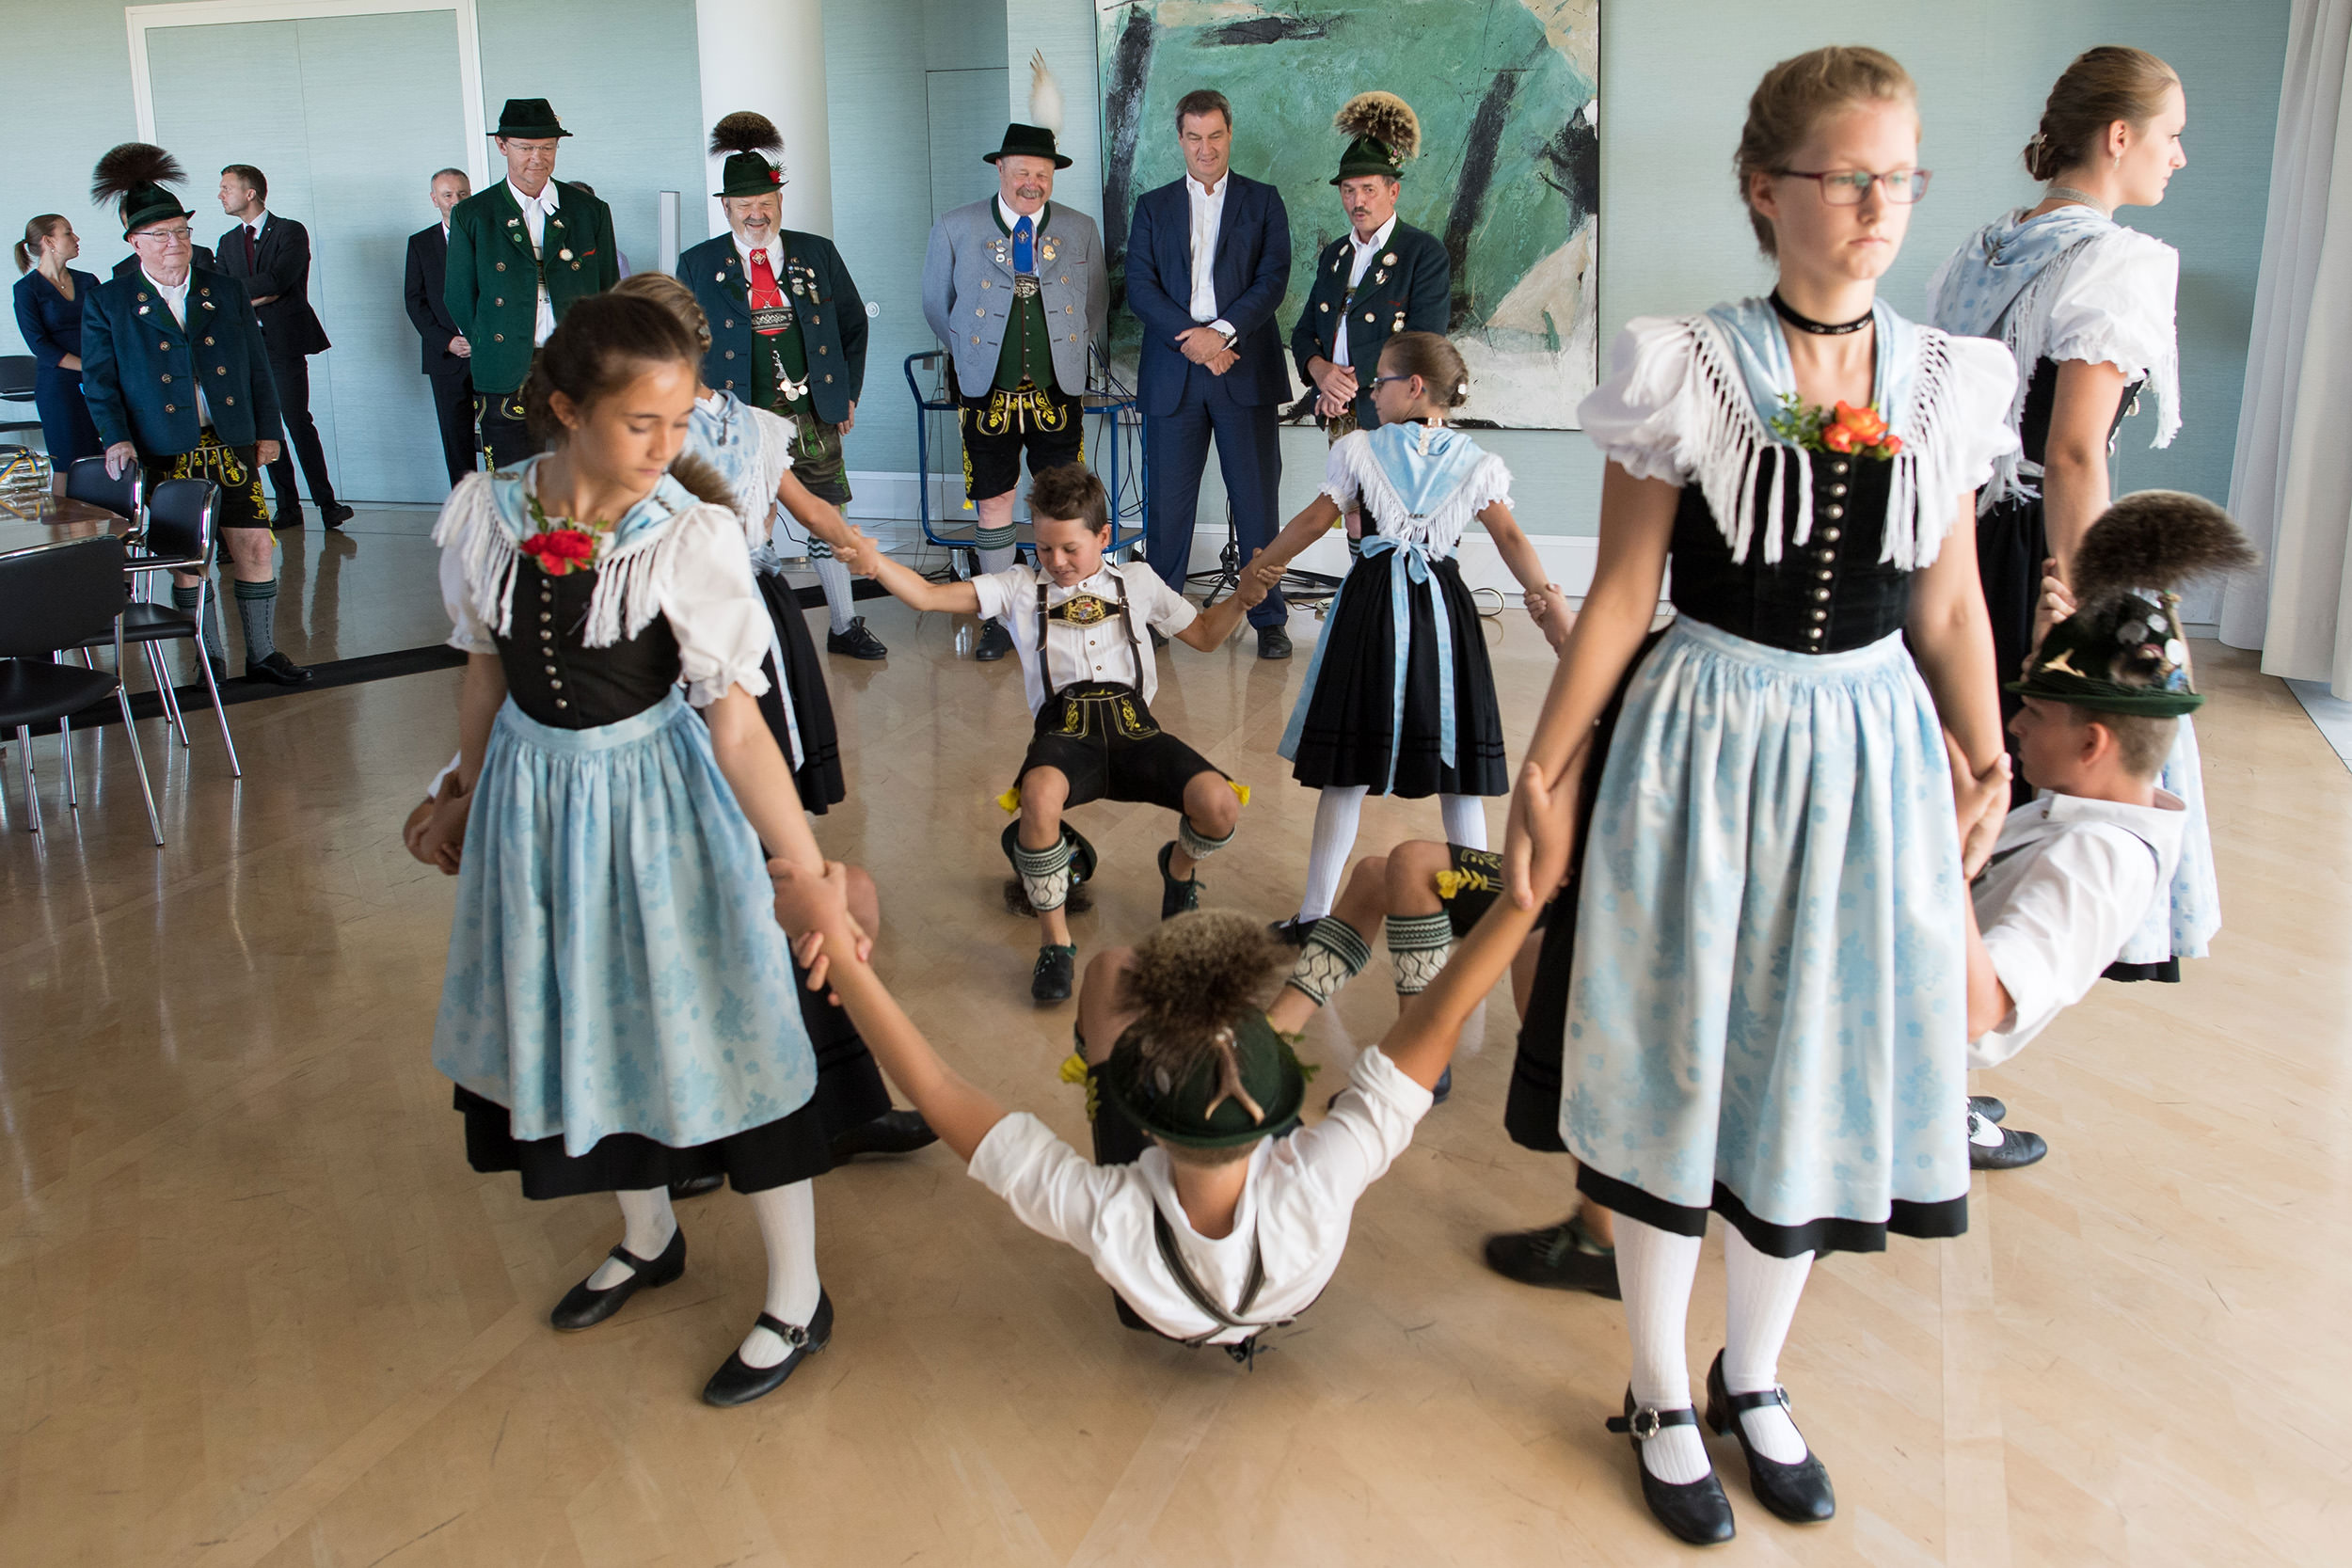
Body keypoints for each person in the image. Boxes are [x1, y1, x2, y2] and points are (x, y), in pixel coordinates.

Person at [1496, 49, 2020, 1544]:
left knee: (1814, 1064)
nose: (1878, 205)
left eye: (1899, 176)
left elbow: (1950, 602)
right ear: (1764, 189)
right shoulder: (1688, 365)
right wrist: (1545, 766)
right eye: (1847, 177)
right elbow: (1622, 591)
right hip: (1703, 742)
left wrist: (1984, 752)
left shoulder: (1949, 378)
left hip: (1867, 753)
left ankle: (1756, 1368)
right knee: (1676, 1060)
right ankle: (1660, 1383)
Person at [762, 750, 1571, 1362]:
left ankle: (1129, 1045)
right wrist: (1520, 898)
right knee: (1354, 894)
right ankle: (1245, 1031)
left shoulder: (1112, 1215)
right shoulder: (1315, 1190)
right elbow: (1434, 1024)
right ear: (1280, 1111)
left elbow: (937, 1088)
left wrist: (836, 942)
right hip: (1284, 1276)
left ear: (1139, 1115)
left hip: (1149, 1295)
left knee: (1113, 968)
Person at [420, 291, 850, 1407]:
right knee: (585, 1014)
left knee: (731, 1029)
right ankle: (649, 1233)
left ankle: (797, 1294)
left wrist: (806, 872)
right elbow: (483, 668)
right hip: (534, 804)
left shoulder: (688, 537)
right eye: (639, 423)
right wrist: (462, 789)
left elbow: (738, 723)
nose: (666, 447)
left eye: (680, 421)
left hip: (659, 807)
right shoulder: (487, 511)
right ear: (567, 410)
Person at [1927, 46, 2217, 979]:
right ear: (2119, 136)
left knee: (1951, 781)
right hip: (2033, 547)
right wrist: (2089, 602)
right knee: (2041, 797)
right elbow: (2072, 452)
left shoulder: (1981, 247)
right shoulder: (2120, 262)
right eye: (2172, 135)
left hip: (1945, 540)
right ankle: (1981, 1016)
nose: (2179, 156)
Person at [840, 463, 1259, 1003]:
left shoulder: (1137, 581)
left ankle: (1178, 874)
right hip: (1066, 735)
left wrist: (1243, 598)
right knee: (1037, 796)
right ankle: (1055, 944)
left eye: (1070, 549)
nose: (1056, 562)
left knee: (1220, 804)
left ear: (1103, 537)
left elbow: (1203, 634)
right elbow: (925, 596)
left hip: (1136, 732)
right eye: (1043, 548)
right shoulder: (1017, 587)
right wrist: (874, 563)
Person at [1961, 490, 2252, 1169]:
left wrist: (1945, 858)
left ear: (2092, 744)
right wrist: (2053, 641)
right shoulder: (2096, 804)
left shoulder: (2094, 863)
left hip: (1904, 1040)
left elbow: (1974, 1015)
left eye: (2033, 711)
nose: (2014, 723)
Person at [1240, 332, 1552, 938]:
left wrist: (1263, 567)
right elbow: (1511, 538)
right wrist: (1544, 599)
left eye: (1380, 381)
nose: (1371, 392)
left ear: (1414, 386)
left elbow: (1315, 520)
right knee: (1456, 768)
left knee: (1347, 767)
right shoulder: (1474, 460)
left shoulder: (1360, 449)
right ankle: (1474, 916)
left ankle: (1315, 914)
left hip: (1372, 608)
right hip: (1444, 614)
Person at [81, 143, 310, 688]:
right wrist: (116, 438)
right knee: (188, 560)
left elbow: (258, 368)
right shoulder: (110, 302)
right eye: (161, 234)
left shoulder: (223, 290)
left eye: (182, 231)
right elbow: (100, 383)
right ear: (135, 241)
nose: (175, 243)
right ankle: (208, 659)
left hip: (230, 440)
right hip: (164, 446)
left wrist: (269, 432)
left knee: (255, 544)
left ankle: (263, 654)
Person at [920, 58, 1108, 663]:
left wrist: (1067, 353)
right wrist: (974, 354)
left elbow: (1095, 303)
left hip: (1058, 390)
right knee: (995, 500)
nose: (1032, 183)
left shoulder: (1080, 229)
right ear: (1000, 169)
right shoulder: (955, 227)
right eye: (1022, 171)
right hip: (985, 390)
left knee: (1064, 502)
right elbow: (937, 306)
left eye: (1042, 174)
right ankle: (1001, 617)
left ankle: (1062, 607)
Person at [682, 113, 881, 659]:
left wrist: (848, 393)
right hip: (740, 418)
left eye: (766, 203)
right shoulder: (698, 264)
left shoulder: (816, 252)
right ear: (727, 207)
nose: (757, 214)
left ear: (780, 202)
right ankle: (758, 636)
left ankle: (844, 625)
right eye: (745, 204)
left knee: (828, 515)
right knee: (752, 519)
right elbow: (681, 343)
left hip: (813, 413)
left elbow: (852, 325)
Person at [1125, 87, 1295, 658]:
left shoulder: (1263, 201)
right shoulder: (1153, 207)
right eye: (1194, 137)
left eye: (1215, 136)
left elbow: (1272, 279)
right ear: (1180, 140)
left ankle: (1268, 617)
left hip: (1241, 367)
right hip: (1174, 372)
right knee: (1167, 507)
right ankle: (1160, 616)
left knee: (1256, 504)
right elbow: (1140, 287)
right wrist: (1195, 341)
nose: (1205, 148)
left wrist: (1220, 334)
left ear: (1229, 134)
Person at [1289, 92, 1449, 550]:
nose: (1357, 201)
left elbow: (1423, 341)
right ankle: (1362, 589)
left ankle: (1390, 593)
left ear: (1393, 191)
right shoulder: (1335, 255)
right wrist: (1321, 372)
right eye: (1348, 190)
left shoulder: (1422, 253)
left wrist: (1347, 383)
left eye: (1368, 189)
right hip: (1340, 410)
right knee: (1353, 515)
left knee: (1392, 517)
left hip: (1395, 412)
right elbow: (1304, 333)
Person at [445, 98, 620, 469]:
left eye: (547, 147)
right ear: (502, 146)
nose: (537, 158)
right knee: (512, 483)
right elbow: (459, 295)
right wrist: (498, 339)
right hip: (506, 367)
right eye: (525, 148)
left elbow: (608, 290)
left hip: (575, 366)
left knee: (584, 478)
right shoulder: (473, 215)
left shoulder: (589, 211)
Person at [216, 164, 349, 530]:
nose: (220, 195)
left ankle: (327, 504)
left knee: (296, 419)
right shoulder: (227, 242)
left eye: (227, 187)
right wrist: (258, 295)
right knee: (266, 427)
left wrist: (251, 293)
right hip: (246, 345)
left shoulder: (289, 231)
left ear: (250, 193)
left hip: (283, 343)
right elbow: (223, 291)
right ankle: (287, 507)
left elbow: (278, 280)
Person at [11, 215, 104, 491]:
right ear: (49, 241)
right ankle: (65, 519)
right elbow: (39, 345)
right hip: (59, 387)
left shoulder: (88, 281)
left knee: (102, 459)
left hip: (98, 380)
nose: (76, 238)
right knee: (66, 464)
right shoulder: (26, 289)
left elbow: (106, 328)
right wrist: (88, 367)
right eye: (68, 233)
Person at [405, 167, 479, 485]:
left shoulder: (489, 238)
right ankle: (465, 503)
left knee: (501, 432)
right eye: (448, 195)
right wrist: (447, 340)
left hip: (489, 352)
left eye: (462, 193)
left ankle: (503, 501)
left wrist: (480, 338)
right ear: (434, 199)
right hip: (446, 357)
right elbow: (414, 300)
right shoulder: (420, 243)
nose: (456, 201)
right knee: (455, 436)